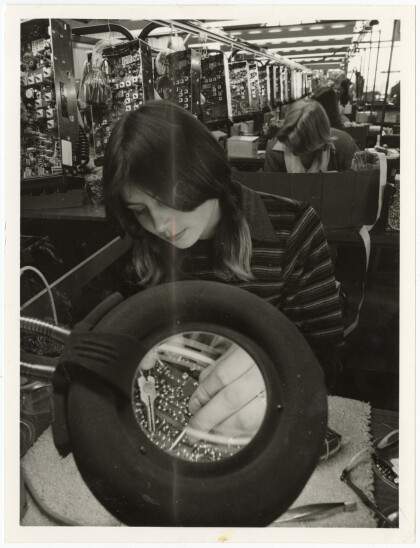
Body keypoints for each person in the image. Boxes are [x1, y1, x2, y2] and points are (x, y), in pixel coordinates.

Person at [103, 100, 345, 440]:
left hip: (266, 421)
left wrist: (275, 372)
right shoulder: (144, 243)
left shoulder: (293, 229)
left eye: (169, 198)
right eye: (140, 210)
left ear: (203, 171)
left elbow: (328, 359)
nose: (159, 225)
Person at [264, 99, 358, 173]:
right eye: (295, 145)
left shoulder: (344, 145)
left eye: (306, 147)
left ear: (321, 139)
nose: (302, 153)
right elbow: (270, 191)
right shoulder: (274, 151)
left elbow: (359, 185)